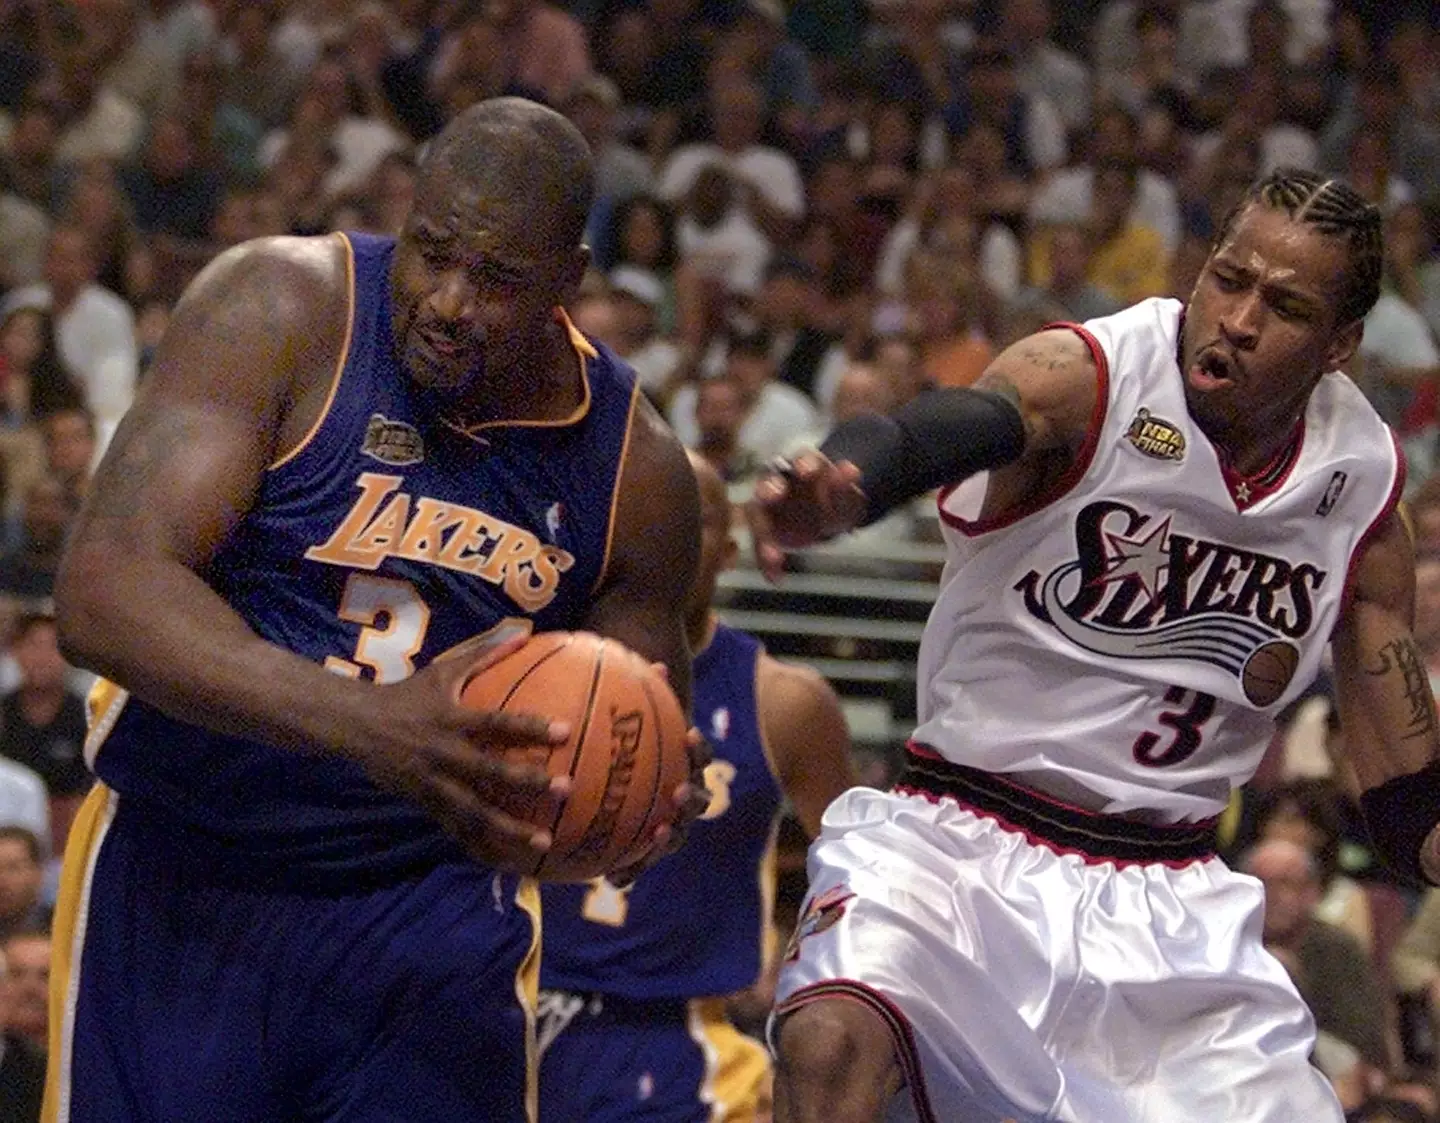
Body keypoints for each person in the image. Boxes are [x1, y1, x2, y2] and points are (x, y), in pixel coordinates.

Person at [46, 97, 707, 1123]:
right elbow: (103, 589)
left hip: (430, 913)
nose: (448, 301)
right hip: (185, 865)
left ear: (568, 281)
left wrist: (638, 799)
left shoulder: (637, 471)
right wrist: (370, 726)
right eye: (431, 251)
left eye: (497, 279)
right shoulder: (281, 307)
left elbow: (632, 734)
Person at [746, 167, 1440, 1123]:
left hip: (1169, 896)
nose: (1238, 320)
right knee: (829, 1039)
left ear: (1341, 344)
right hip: (956, 840)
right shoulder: (1094, 374)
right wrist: (846, 482)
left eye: (1284, 307)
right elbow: (949, 425)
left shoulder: (1359, 487)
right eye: (1228, 279)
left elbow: (1404, 790)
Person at [537, 450, 855, 1122]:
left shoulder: (784, 700)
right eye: (644, 518)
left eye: (692, 518)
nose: (665, 536)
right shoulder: (534, 666)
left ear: (730, 550)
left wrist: (800, 970)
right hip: (517, 1010)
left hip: (687, 1035)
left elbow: (860, 880)